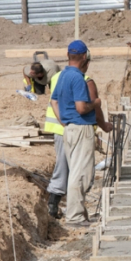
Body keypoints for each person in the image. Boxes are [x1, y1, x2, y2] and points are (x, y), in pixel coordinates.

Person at [44, 58, 112, 220]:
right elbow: (87, 108)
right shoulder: (84, 80)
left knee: (67, 169)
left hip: (65, 130)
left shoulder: (60, 76)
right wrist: (101, 121)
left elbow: (54, 100)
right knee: (80, 173)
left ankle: (62, 207)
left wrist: (63, 122)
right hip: (79, 129)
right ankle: (74, 215)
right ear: (85, 62)